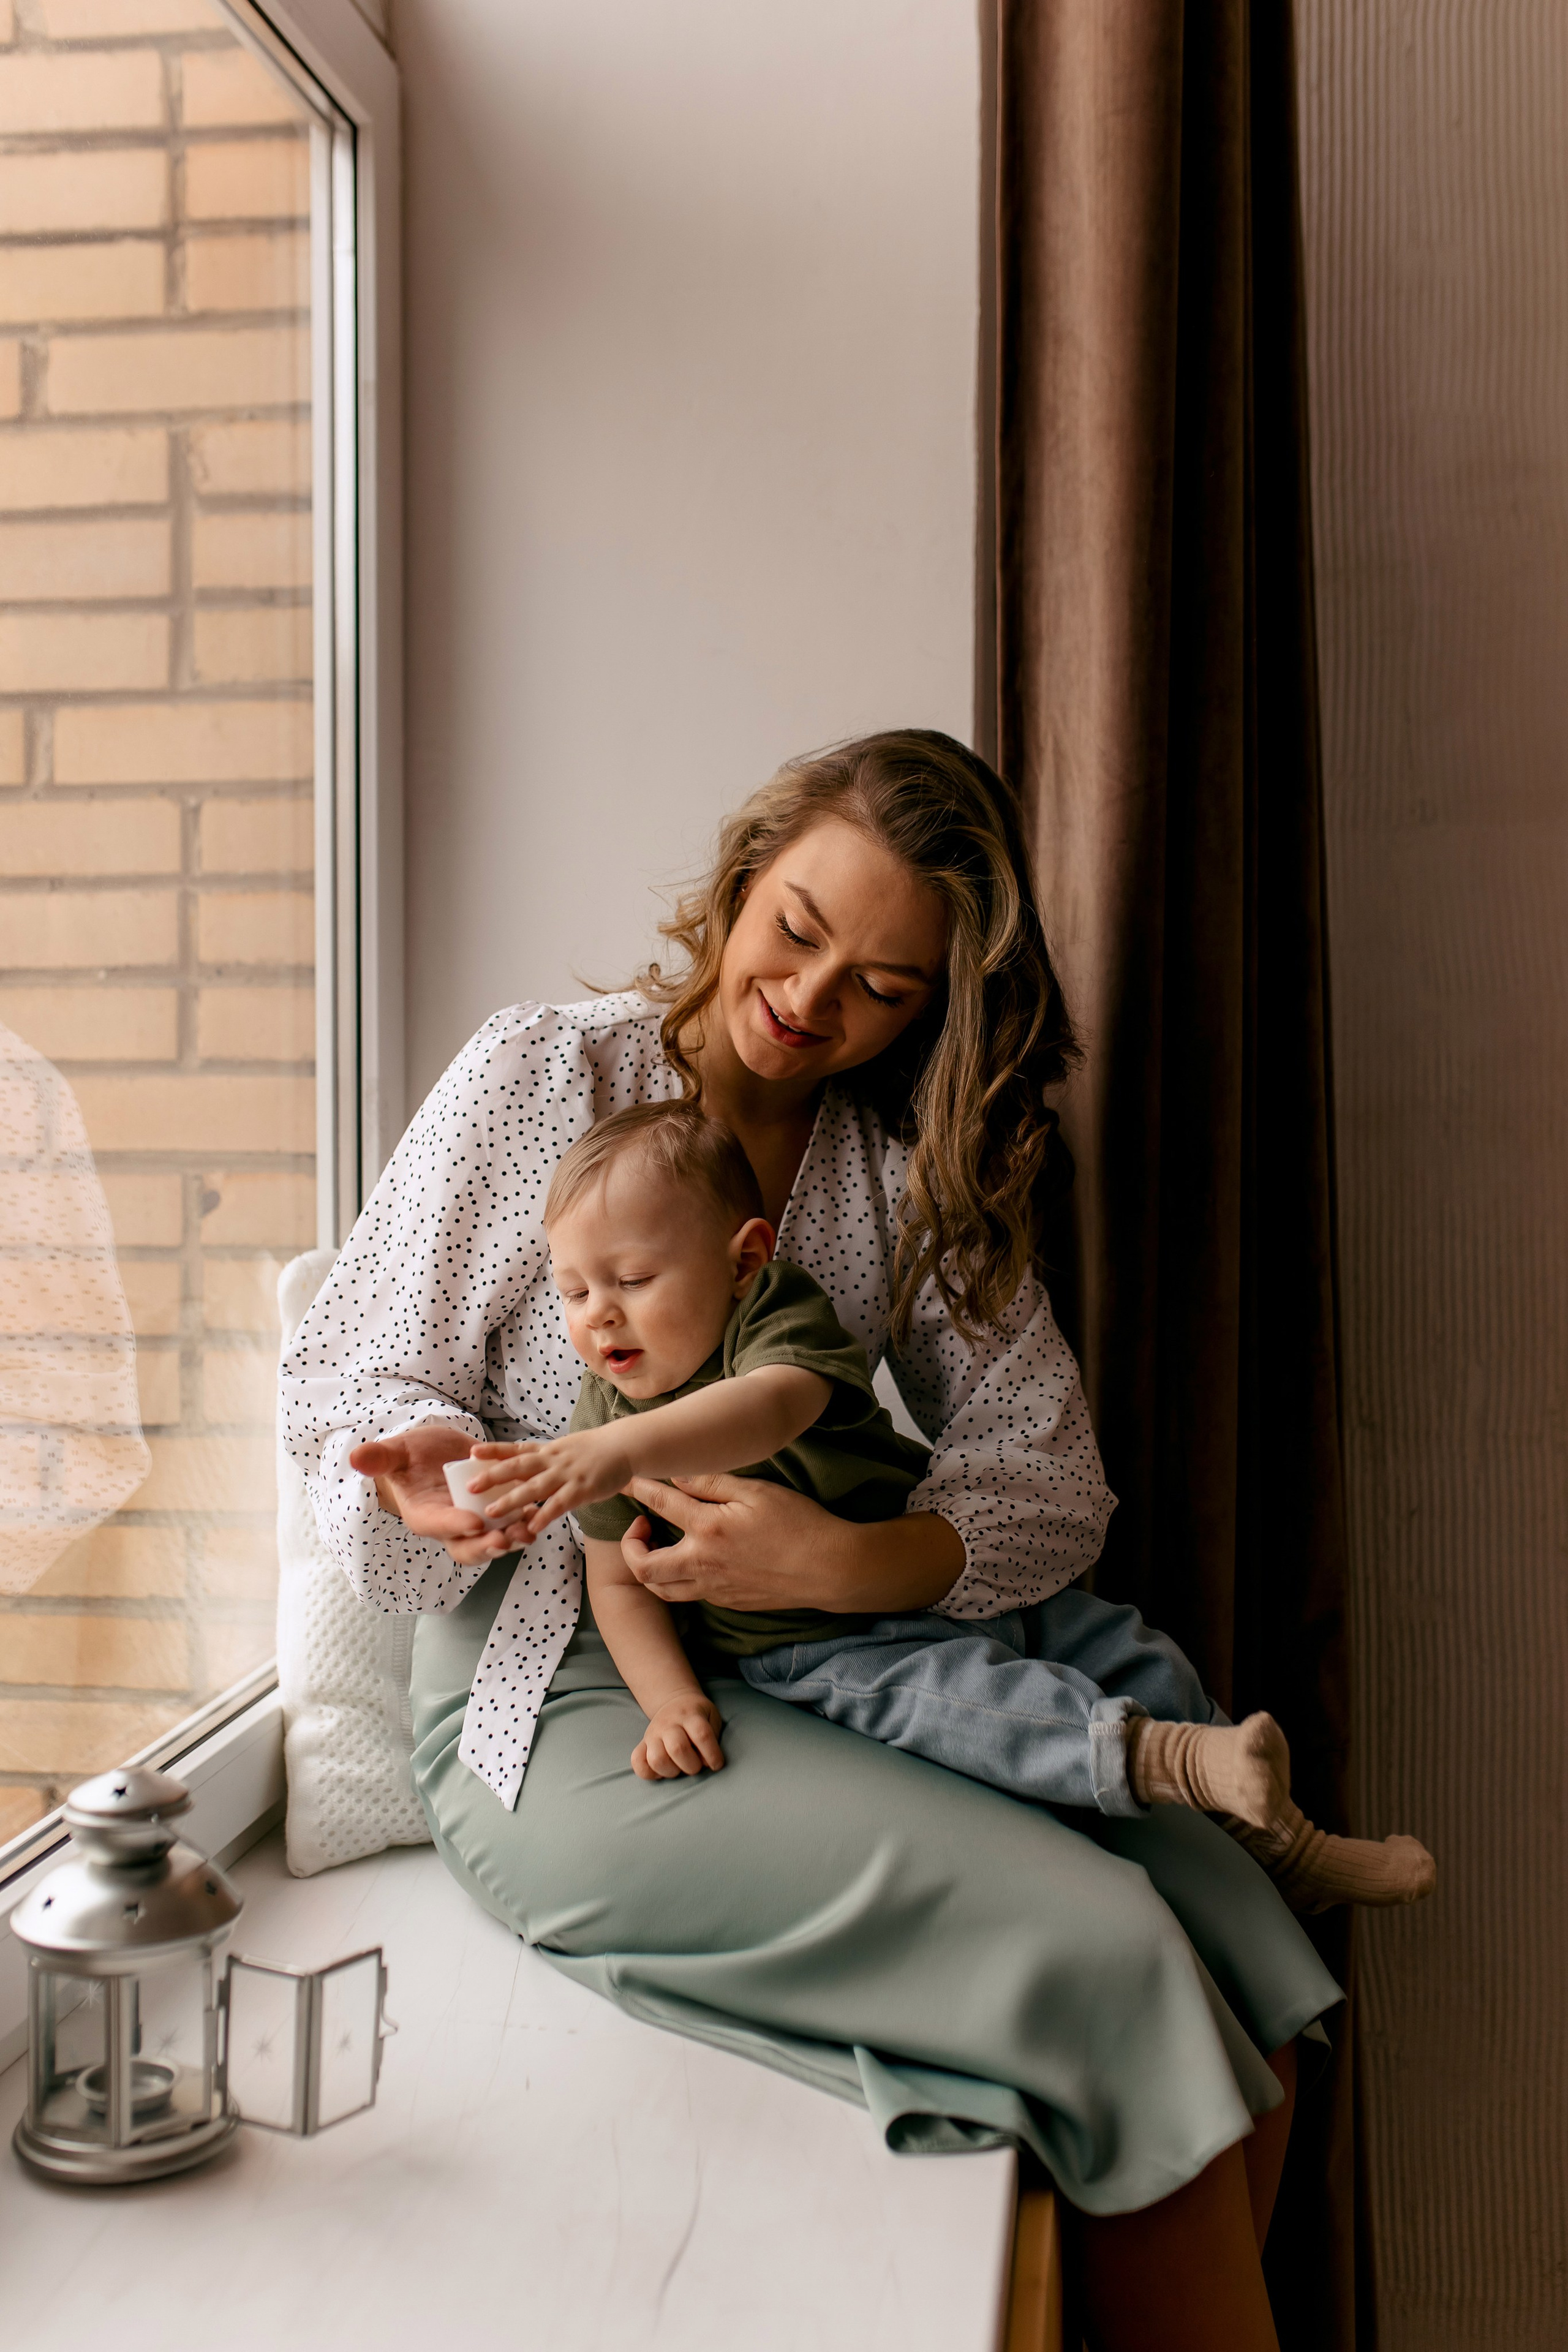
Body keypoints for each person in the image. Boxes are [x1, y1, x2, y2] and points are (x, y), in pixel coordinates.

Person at [282, 729, 1354, 2352]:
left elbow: (1049, 1475)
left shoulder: (899, 1168)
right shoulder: (537, 1077)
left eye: (884, 986)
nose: (811, 1002)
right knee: (1120, 1957)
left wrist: (850, 1565)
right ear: (742, 875)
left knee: (1244, 1949)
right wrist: (422, 1468)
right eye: (797, 929)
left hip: (828, 1651)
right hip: (578, 1701)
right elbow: (351, 1366)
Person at [463, 1095, 1435, 1913]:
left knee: (1127, 1643)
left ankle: (1294, 1850)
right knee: (969, 1708)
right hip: (810, 1647)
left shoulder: (773, 1318)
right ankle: (1171, 1762)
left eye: (631, 1280)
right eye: (574, 1290)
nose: (598, 1315)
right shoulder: (601, 1416)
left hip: (918, 1567)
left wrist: (616, 1450)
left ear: (746, 1258)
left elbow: (771, 1411)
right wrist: (671, 1699)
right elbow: (614, 1580)